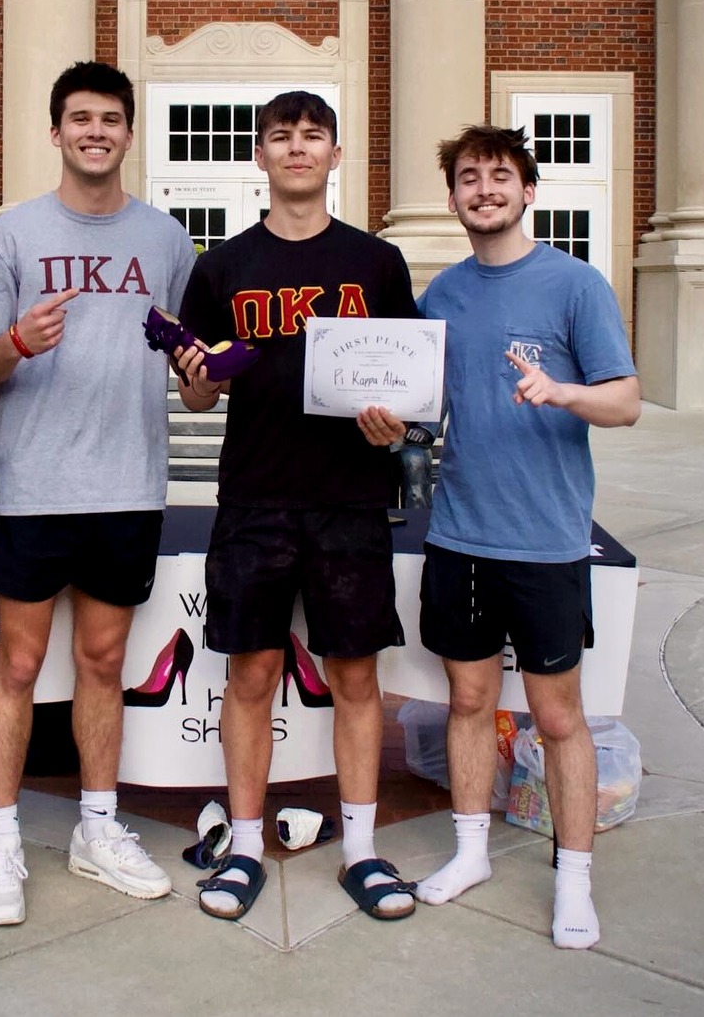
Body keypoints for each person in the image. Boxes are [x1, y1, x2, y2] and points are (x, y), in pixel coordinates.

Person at [364, 124, 640, 949]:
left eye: (500, 176)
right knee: (469, 703)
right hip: (460, 535)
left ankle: (574, 878)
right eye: (469, 179)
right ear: (453, 198)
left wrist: (563, 392)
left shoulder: (576, 285)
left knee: (558, 717)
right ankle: (471, 852)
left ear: (528, 190)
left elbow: (625, 400)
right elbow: (425, 417)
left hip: (548, 541)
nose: (484, 190)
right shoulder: (443, 296)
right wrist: (393, 427)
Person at [175, 91, 419, 923]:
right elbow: (202, 393)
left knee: (355, 676)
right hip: (256, 496)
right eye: (281, 136)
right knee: (250, 674)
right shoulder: (222, 267)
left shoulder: (375, 263)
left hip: (350, 498)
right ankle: (245, 845)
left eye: (314, 136)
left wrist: (396, 425)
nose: (298, 148)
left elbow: (409, 382)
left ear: (336, 154)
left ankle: (361, 850)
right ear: (261, 156)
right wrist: (195, 377)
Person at [0, 61, 195, 926]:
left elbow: (191, 368)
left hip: (129, 484)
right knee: (19, 666)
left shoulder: (167, 242)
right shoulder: (10, 236)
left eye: (110, 119)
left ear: (129, 133)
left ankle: (98, 827)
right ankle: (1, 837)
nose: (95, 132)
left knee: (103, 664)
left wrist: (204, 371)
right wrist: (17, 342)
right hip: (36, 486)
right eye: (80, 118)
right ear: (55, 132)